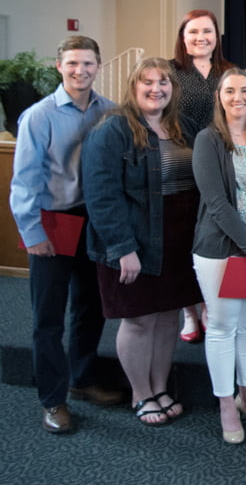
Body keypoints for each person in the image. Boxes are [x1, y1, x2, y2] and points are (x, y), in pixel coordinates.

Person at [82, 57, 203, 426]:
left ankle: (159, 386)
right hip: (134, 239)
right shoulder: (113, 129)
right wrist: (123, 249)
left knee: (167, 317)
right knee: (137, 321)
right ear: (134, 87)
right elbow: (101, 196)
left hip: (178, 240)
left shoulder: (183, 125)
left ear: (173, 88)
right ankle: (141, 393)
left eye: (163, 82)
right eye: (147, 82)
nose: (156, 88)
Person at [10, 36, 123, 433]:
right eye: (73, 64)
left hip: (92, 223)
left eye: (88, 64)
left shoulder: (109, 111)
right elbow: (23, 183)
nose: (81, 71)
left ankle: (83, 379)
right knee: (48, 319)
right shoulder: (39, 117)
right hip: (52, 223)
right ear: (59, 66)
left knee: (90, 307)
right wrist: (32, 232)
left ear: (98, 66)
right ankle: (53, 401)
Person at [192, 69, 246, 444]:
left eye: (245, 90)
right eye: (230, 90)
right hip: (220, 251)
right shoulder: (207, 140)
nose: (238, 97)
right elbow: (215, 202)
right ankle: (226, 404)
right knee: (222, 327)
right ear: (219, 96)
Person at [171, 9, 235, 344]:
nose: (200, 38)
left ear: (217, 36)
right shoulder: (169, 71)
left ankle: (211, 305)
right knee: (184, 239)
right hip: (180, 164)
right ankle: (189, 311)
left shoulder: (228, 72)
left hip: (219, 164)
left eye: (207, 32)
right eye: (193, 32)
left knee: (212, 237)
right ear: (183, 36)